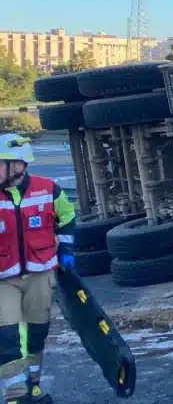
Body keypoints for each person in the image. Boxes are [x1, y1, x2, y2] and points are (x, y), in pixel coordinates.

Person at [0, 134, 75, 404]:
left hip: (40, 275)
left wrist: (66, 251)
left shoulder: (48, 189)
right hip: (3, 279)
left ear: (19, 165)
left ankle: (32, 389)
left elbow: (67, 216)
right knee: (7, 338)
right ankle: (15, 397)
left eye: (0, 164)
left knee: (35, 336)